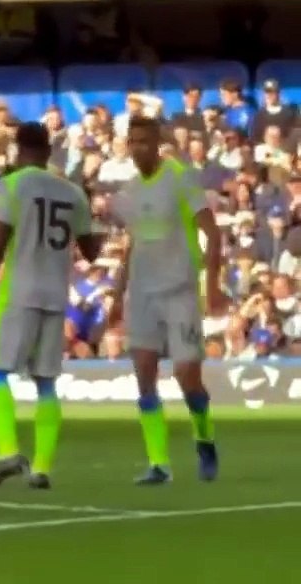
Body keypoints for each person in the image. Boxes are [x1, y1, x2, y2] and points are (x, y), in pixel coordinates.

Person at [0, 122, 101, 491]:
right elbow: (91, 251)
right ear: (48, 150)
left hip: (18, 293)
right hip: (55, 296)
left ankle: (9, 451)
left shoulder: (12, 185)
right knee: (46, 382)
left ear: (18, 148)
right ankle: (41, 468)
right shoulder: (72, 192)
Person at [108, 116, 226, 485]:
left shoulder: (180, 178)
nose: (138, 148)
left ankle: (204, 440)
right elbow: (132, 244)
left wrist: (213, 284)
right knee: (144, 376)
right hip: (142, 294)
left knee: (187, 376)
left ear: (157, 143)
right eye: (133, 141)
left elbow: (212, 232)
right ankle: (158, 464)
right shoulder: (129, 191)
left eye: (144, 141)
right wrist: (117, 293)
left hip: (179, 291)